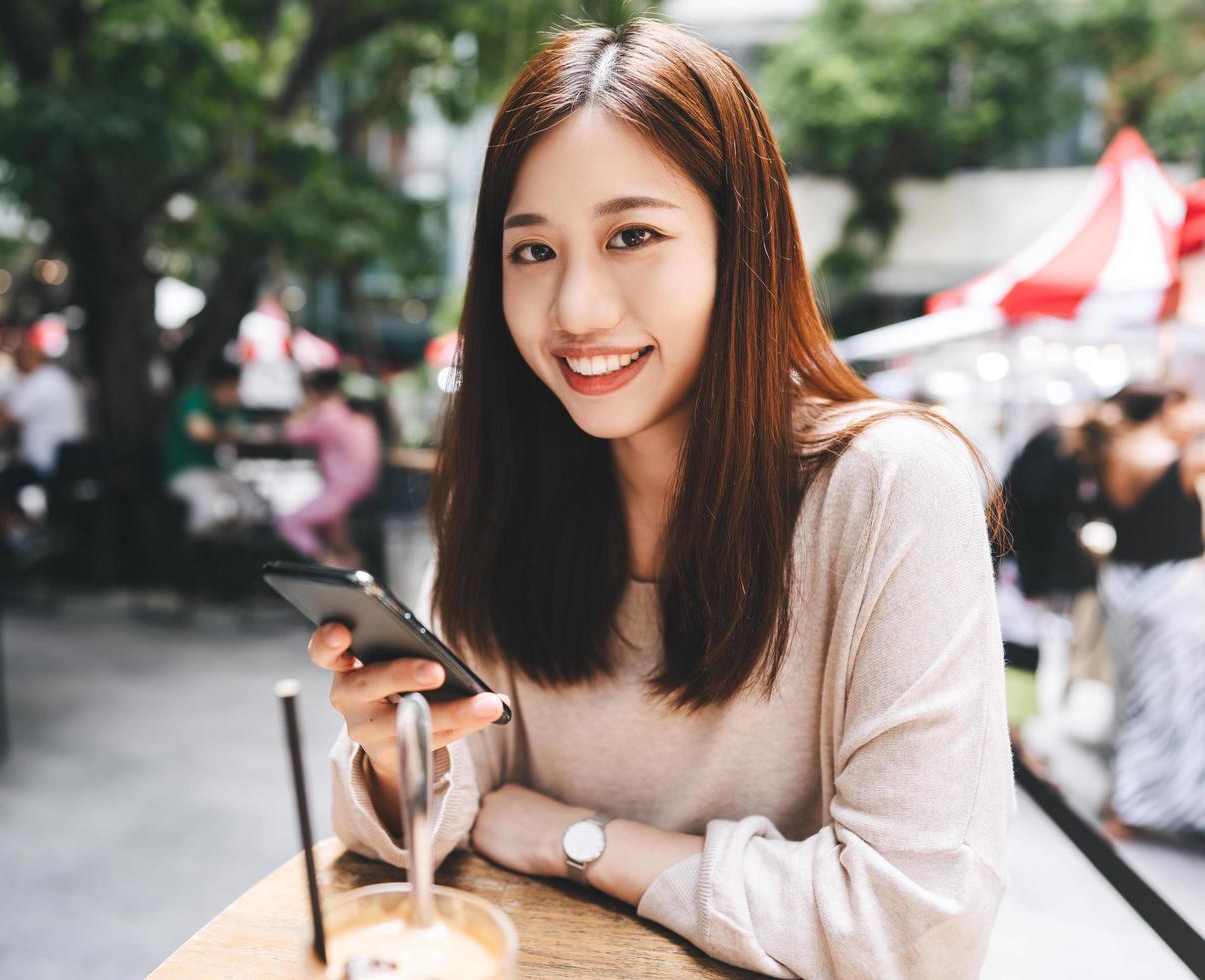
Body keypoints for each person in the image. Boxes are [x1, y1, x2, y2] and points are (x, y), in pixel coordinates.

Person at [305, 21, 1014, 980]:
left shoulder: (891, 487)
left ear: (741, 242)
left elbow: (913, 933)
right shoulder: (508, 485)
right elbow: (429, 832)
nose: (576, 310)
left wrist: (580, 841)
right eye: (532, 251)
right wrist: (398, 761)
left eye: (632, 236)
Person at [1072, 382, 1205, 837]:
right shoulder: (1180, 458)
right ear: (1169, 405)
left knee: (1133, 697)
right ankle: (1135, 806)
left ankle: (1125, 797)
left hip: (1123, 585)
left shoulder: (1114, 451)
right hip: (1170, 592)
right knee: (1169, 704)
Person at [275, 370, 382, 568]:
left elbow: (288, 433)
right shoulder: (357, 412)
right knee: (335, 533)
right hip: (363, 488)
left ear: (314, 391)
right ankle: (353, 569)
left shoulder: (328, 413)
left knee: (289, 524)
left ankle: (329, 564)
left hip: (342, 492)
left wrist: (305, 408)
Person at [163, 360, 271, 536]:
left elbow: (246, 430)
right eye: (235, 387)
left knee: (251, 504)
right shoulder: (196, 398)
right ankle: (195, 555)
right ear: (223, 385)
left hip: (213, 471)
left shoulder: (230, 409)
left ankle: (230, 551)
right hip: (185, 471)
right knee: (209, 508)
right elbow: (198, 430)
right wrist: (229, 433)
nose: (237, 393)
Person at [0, 337, 86, 482]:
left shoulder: (40, 381)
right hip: (67, 459)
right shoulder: (57, 376)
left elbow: (10, 416)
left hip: (46, 462)